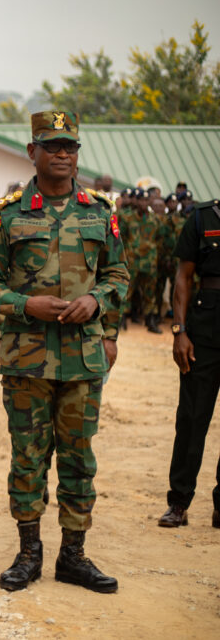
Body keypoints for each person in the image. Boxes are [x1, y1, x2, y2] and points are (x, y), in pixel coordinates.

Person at [0, 111, 128, 594]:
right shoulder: (8, 212)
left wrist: (97, 304)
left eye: (71, 146)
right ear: (31, 151)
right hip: (28, 359)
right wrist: (26, 305)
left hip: (82, 360)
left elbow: (118, 276)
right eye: (52, 144)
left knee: (79, 458)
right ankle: (28, 554)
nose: (63, 153)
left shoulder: (101, 211)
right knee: (29, 458)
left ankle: (74, 557)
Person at [158, 198, 220, 529]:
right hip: (205, 332)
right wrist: (179, 330)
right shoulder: (202, 217)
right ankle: (179, 502)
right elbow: (183, 276)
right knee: (192, 418)